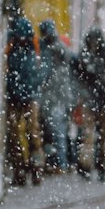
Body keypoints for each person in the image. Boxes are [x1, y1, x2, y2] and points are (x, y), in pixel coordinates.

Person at [74, 27, 105, 181]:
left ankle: (99, 166)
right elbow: (79, 77)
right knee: (89, 136)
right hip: (92, 101)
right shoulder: (86, 55)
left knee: (101, 136)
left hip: (103, 101)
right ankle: (87, 166)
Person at [5, 16, 44, 186]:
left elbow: (40, 71)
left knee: (31, 133)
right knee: (15, 133)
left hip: (28, 96)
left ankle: (34, 168)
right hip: (16, 96)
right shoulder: (11, 48)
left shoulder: (34, 48)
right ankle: (20, 168)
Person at [37, 21, 73, 173]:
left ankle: (60, 163)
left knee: (56, 131)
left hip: (54, 97)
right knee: (55, 131)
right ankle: (58, 162)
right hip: (53, 97)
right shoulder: (55, 49)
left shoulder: (54, 50)